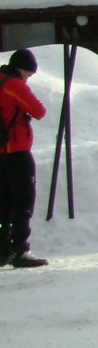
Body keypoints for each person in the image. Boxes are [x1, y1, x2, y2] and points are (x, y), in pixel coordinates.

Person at [0, 49, 49, 268]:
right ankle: (20, 249)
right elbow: (39, 111)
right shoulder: (13, 85)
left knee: (3, 201)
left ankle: (3, 250)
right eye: (28, 74)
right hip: (16, 151)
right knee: (23, 200)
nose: (27, 79)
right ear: (21, 69)